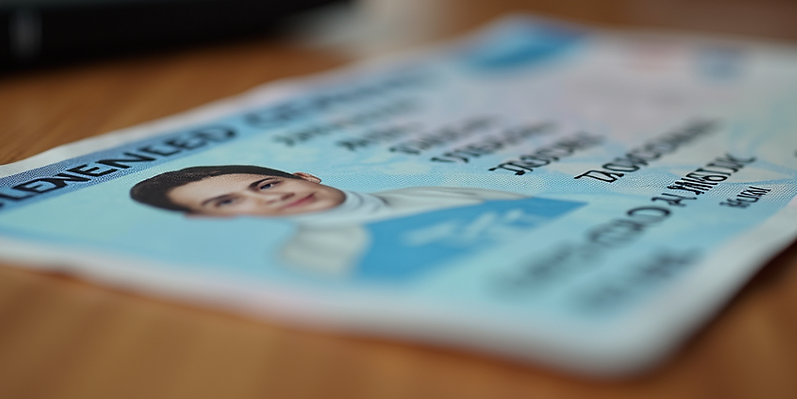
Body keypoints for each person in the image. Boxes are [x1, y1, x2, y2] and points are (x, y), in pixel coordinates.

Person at [130, 165, 528, 275]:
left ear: (304, 176)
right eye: (227, 202)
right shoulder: (314, 259)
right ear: (206, 220)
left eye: (266, 185)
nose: (279, 196)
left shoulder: (452, 193)